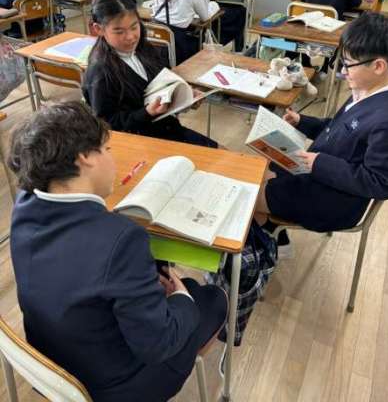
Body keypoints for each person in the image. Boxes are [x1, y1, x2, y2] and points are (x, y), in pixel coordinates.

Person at [8, 101, 228, 402]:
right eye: (107, 149)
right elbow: (158, 345)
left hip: (49, 363)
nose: (112, 159)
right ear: (85, 157)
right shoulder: (121, 238)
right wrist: (182, 298)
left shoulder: (25, 203)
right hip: (114, 388)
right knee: (209, 297)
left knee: (165, 284)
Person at [256, 13, 388, 255]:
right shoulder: (367, 88)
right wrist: (302, 122)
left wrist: (320, 163)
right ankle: (275, 236)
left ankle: (263, 247)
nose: (343, 70)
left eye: (348, 64)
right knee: (261, 169)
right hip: (321, 176)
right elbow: (341, 129)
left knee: (250, 195)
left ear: (378, 66)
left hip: (335, 201)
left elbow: (384, 182)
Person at [83, 0, 218, 148]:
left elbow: (163, 84)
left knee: (225, 154)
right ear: (98, 29)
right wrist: (147, 113)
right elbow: (109, 125)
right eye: (119, 31)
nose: (130, 36)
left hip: (165, 129)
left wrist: (185, 97)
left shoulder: (144, 49)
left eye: (134, 27)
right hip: (140, 144)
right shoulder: (100, 72)